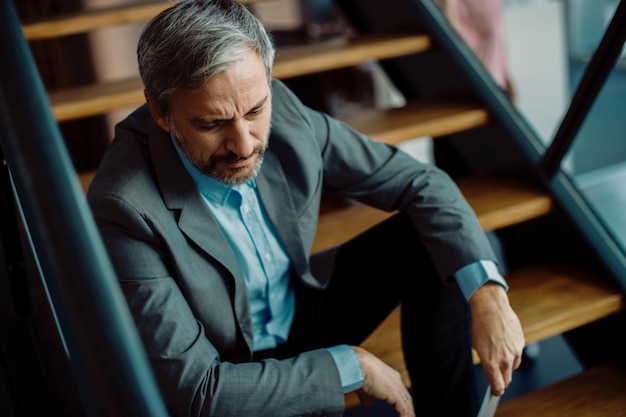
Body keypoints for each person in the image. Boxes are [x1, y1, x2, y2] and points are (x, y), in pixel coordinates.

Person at [87, 1, 525, 416]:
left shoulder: (286, 114)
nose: (244, 144)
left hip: (298, 308)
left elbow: (419, 182)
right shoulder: (123, 207)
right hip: (230, 370)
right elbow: (200, 394)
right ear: (160, 112)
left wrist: (487, 295)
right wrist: (348, 366)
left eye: (255, 110)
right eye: (212, 123)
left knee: (429, 240)